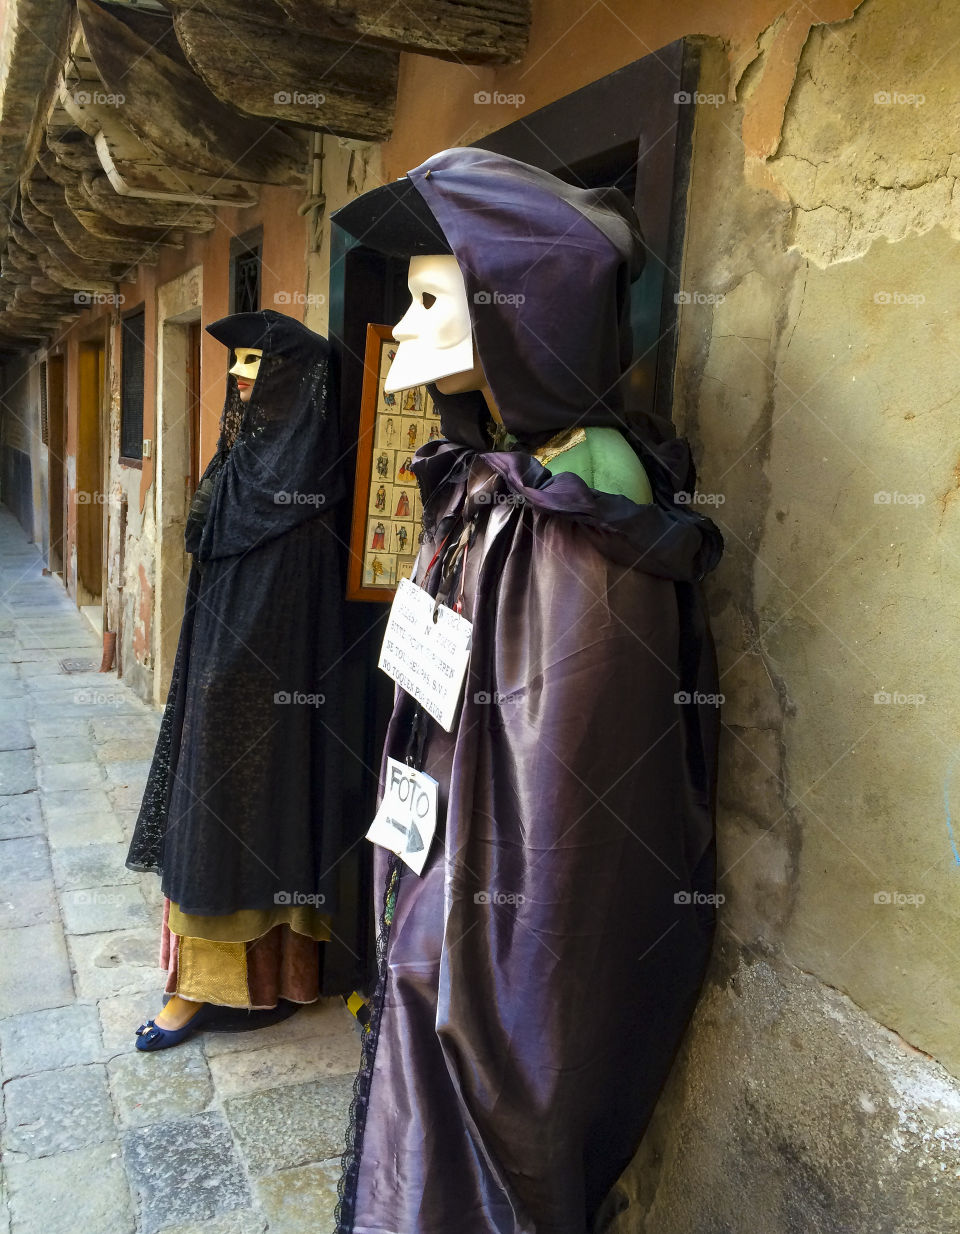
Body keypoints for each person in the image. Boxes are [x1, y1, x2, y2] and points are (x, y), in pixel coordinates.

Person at [330, 149, 724, 1233]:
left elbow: (565, 786)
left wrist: (461, 931)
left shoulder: (585, 495)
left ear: (523, 313)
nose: (399, 329)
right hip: (446, 850)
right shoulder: (508, 468)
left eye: (430, 301)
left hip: (495, 895)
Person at [127, 309, 347, 1050]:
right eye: (238, 362)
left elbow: (300, 608)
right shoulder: (238, 464)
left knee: (253, 824)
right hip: (218, 681)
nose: (239, 374)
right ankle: (207, 984)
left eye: (257, 362)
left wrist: (232, 687)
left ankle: (240, 986)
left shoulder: (311, 482)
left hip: (271, 696)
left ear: (294, 378)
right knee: (212, 827)